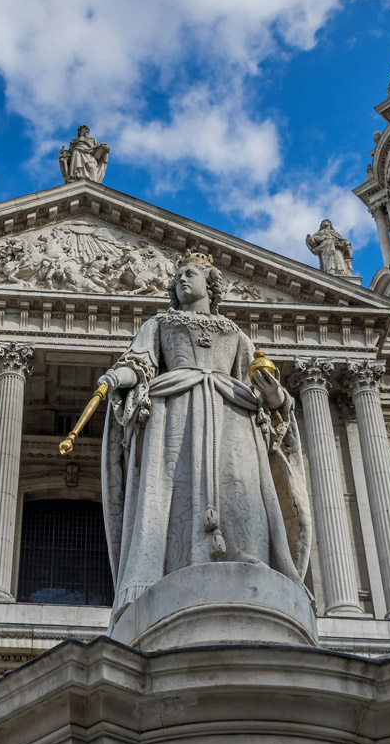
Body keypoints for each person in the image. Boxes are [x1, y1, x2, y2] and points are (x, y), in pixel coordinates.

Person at [98, 251, 312, 616]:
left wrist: (274, 393)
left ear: (211, 285)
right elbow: (139, 362)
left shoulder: (236, 333)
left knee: (242, 488)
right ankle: (170, 567)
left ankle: (249, 557)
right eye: (178, 275)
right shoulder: (160, 325)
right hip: (175, 410)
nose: (183, 280)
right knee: (172, 489)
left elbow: (260, 383)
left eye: (191, 274)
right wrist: (119, 378)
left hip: (233, 414)